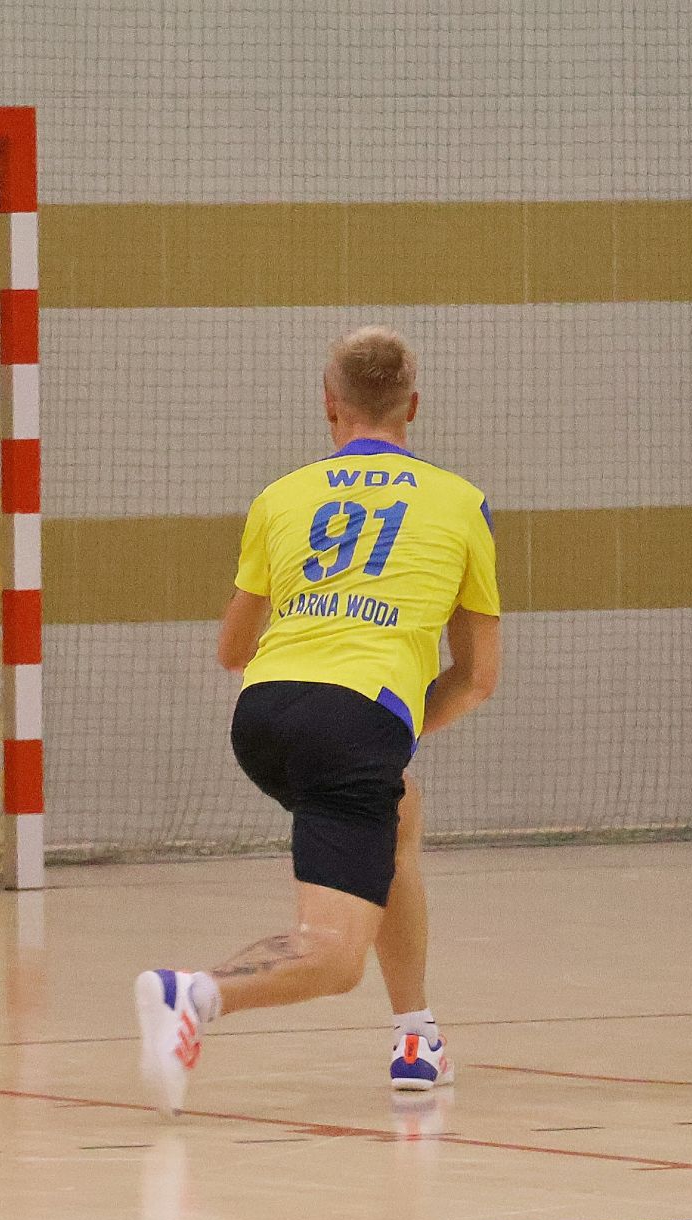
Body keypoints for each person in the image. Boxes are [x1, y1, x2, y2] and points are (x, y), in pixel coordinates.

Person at [135, 327, 501, 1114]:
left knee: (399, 813)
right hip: (352, 722)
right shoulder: (460, 502)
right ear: (413, 404)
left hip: (262, 713)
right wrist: (384, 726)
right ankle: (192, 994)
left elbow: (232, 650)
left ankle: (416, 1036)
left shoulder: (281, 497)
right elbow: (477, 678)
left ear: (329, 402)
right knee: (334, 958)